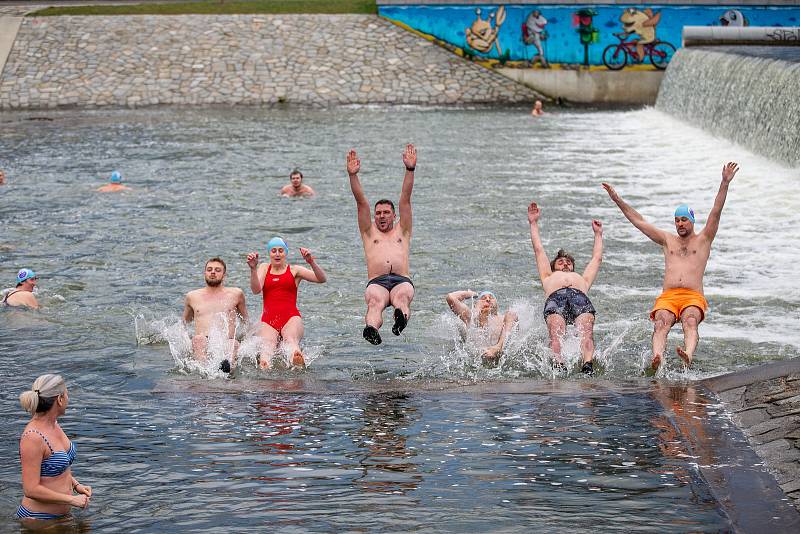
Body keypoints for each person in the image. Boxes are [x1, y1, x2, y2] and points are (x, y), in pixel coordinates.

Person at [602, 162, 740, 370]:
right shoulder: (667, 240)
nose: (680, 224)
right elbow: (639, 222)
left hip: (693, 296)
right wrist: (617, 200)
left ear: (692, 221)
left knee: (690, 321)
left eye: (684, 220)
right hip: (668, 296)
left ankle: (688, 354)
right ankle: (657, 358)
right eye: (677, 220)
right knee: (660, 323)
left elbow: (716, 211)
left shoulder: (704, 239)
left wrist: (724, 182)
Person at [347, 145, 417, 345]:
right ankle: (371, 329)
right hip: (377, 281)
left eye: (386, 212)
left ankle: (400, 319)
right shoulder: (369, 232)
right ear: (373, 216)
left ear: (394, 216)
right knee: (375, 303)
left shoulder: (402, 229)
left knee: (401, 298)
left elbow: (406, 199)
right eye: (378, 213)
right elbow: (360, 202)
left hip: (401, 279)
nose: (382, 216)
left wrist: (409, 170)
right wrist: (353, 176)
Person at [528, 202, 603, 374]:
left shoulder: (582, 279)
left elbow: (596, 259)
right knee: (556, 332)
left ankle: (587, 364)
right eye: (561, 262)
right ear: (554, 266)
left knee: (586, 332)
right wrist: (533, 223)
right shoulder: (548, 276)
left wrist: (598, 234)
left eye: (569, 262)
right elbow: (539, 250)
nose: (565, 263)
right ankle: (559, 362)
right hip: (556, 298)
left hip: (579, 297)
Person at [17, 374, 92, 523]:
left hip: (62, 518)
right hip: (38, 520)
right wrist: (71, 500)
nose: (68, 399)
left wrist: (76, 485)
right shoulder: (32, 437)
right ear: (60, 399)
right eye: (67, 394)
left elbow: (55, 468)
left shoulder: (54, 424)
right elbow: (30, 489)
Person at [247, 237, 327, 368]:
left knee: (290, 341)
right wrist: (253, 269)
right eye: (273, 251)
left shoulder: (295, 270)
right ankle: (265, 365)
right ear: (269, 253)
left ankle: (296, 358)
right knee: (267, 347)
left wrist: (311, 262)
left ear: (286, 253)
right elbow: (256, 290)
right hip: (268, 320)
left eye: (281, 250)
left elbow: (321, 279)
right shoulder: (263, 268)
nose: (277, 254)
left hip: (290, 318)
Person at [182, 257, 248, 373]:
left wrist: (246, 339)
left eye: (217, 270)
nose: (213, 272)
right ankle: (205, 371)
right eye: (209, 269)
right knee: (198, 340)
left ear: (224, 275)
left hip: (226, 340)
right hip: (203, 341)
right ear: (205, 273)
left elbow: (245, 321)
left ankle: (227, 369)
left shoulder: (236, 294)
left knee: (233, 343)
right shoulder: (192, 296)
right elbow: (184, 324)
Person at [446, 289, 518, 365]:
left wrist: (498, 347)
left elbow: (515, 320)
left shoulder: (503, 319)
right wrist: (472, 294)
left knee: (512, 313)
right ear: (476, 304)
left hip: (501, 354)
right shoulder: (470, 318)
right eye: (483, 298)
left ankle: (498, 347)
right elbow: (451, 297)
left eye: (491, 297)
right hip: (478, 359)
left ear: (497, 305)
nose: (487, 299)